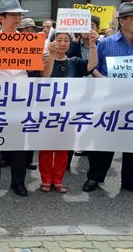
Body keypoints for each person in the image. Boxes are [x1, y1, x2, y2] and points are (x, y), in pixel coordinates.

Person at [83, 1, 133, 196]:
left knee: (131, 144)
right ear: (122, 21)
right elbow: (92, 67)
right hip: (109, 100)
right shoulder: (105, 43)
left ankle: (130, 182)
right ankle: (95, 177)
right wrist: (103, 79)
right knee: (104, 140)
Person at [0, 0, 49, 197]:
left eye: (19, 15)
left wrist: (45, 59)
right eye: (13, 15)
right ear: (1, 19)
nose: (18, 18)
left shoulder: (30, 41)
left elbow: (39, 70)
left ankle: (18, 182)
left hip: (21, 96)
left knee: (19, 143)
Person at [39, 30, 98, 193]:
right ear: (52, 42)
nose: (63, 43)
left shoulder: (74, 62)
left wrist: (93, 45)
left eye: (66, 40)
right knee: (45, 147)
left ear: (70, 43)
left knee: (62, 148)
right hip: (47, 111)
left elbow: (91, 66)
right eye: (59, 40)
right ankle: (45, 179)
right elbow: (45, 76)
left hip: (68, 112)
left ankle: (58, 180)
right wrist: (50, 55)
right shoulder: (45, 59)